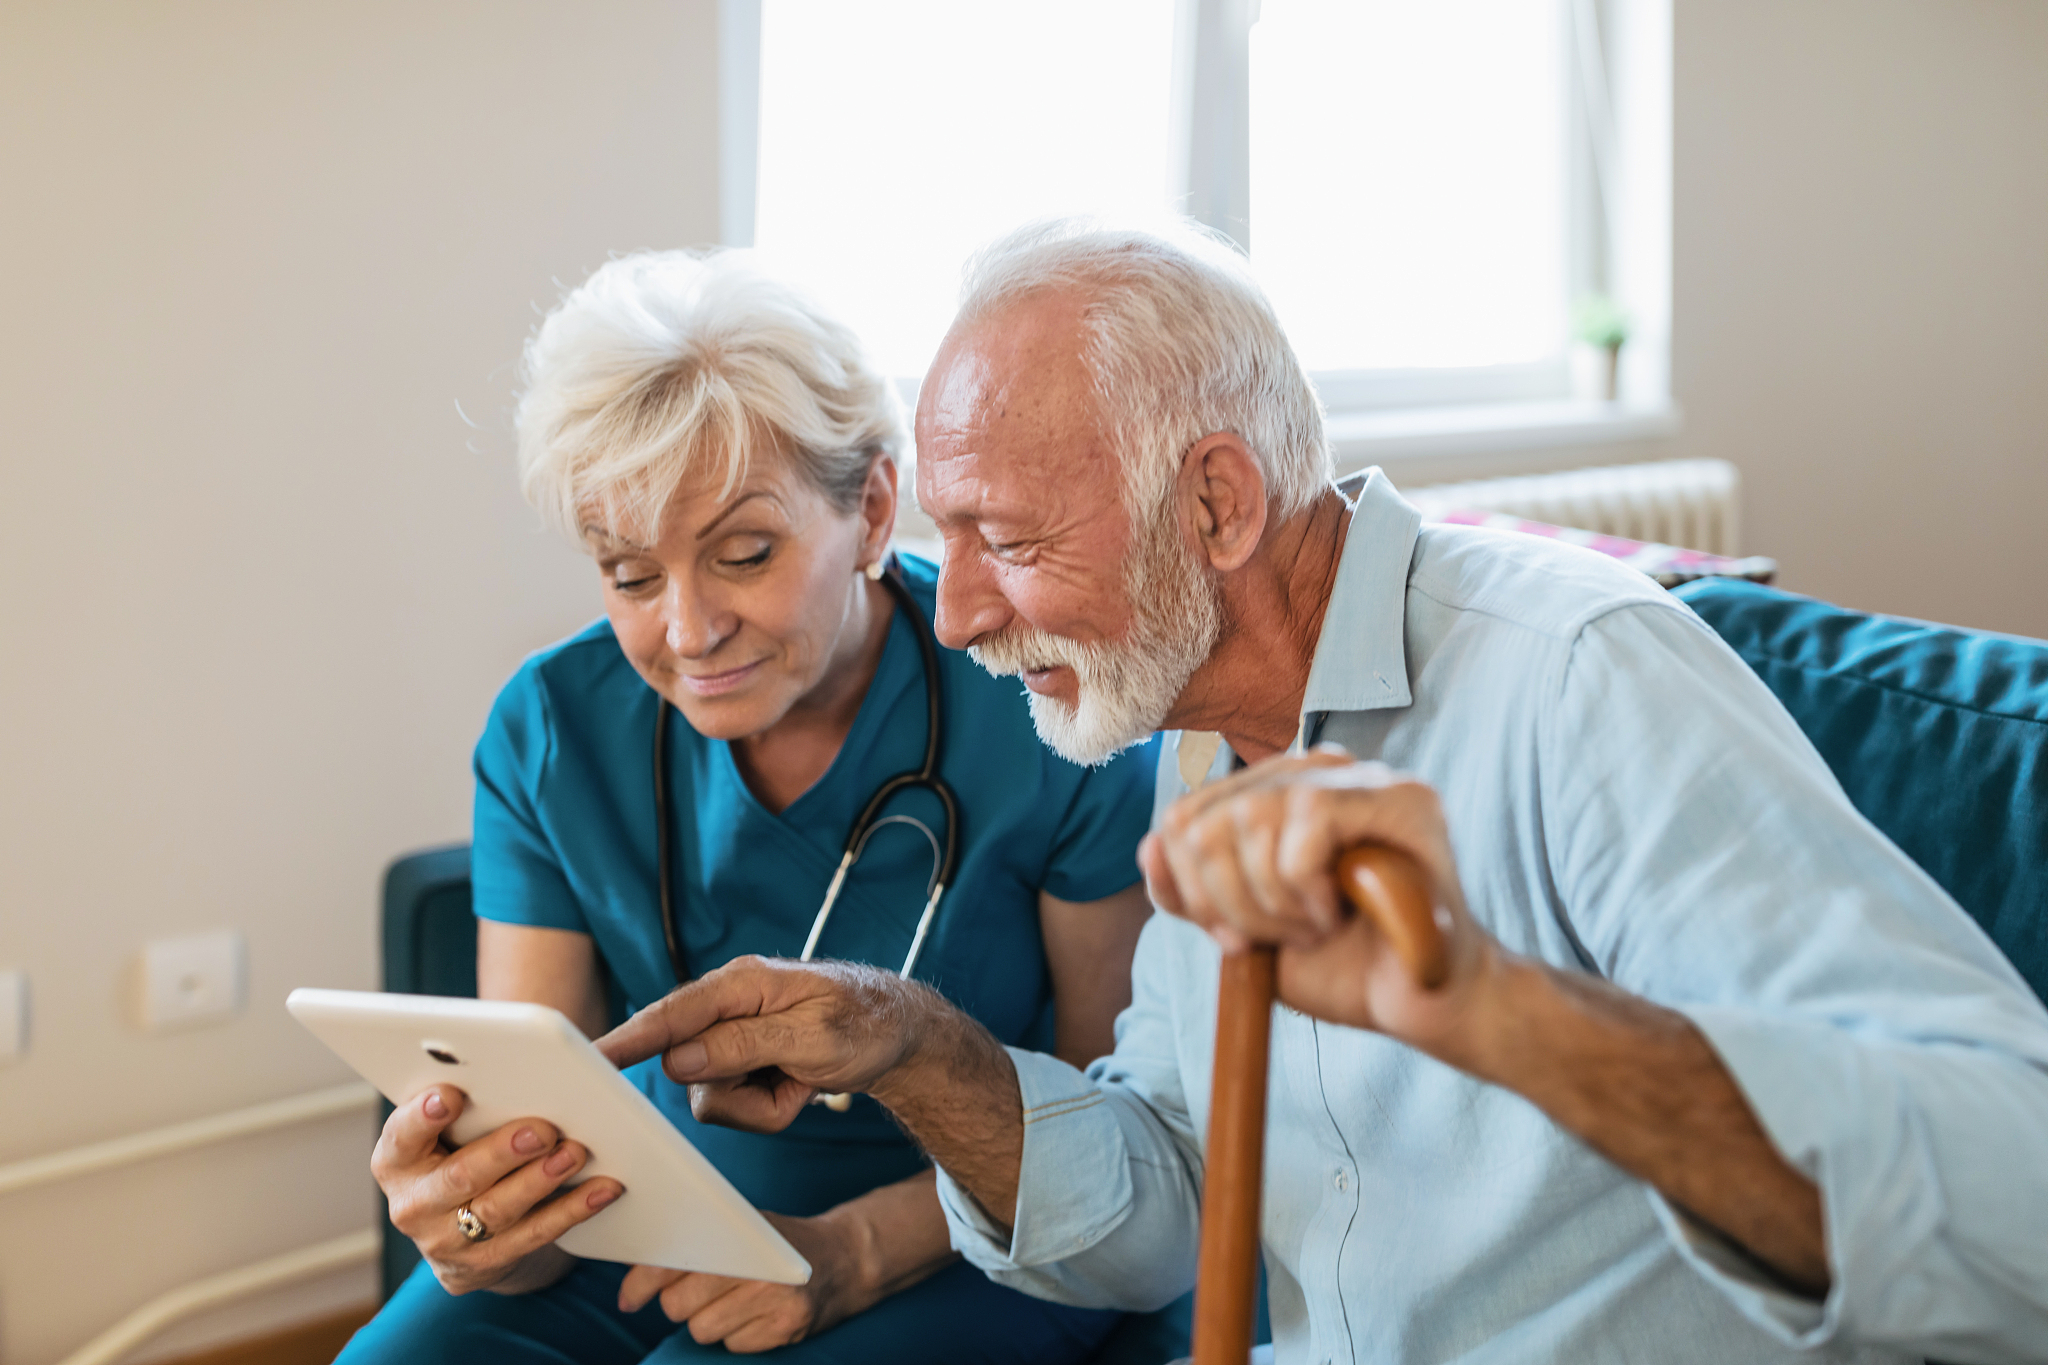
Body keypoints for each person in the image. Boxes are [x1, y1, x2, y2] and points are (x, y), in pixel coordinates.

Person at [598, 220, 2048, 1364]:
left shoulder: (1579, 674)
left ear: (1217, 504)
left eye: (1005, 539)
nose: (959, 612)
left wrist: (1496, 1005)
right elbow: (1170, 1207)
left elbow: (2017, 1209)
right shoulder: (1189, 717)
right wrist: (908, 1043)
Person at [337, 250, 1162, 1365]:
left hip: (985, 1237)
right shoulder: (551, 729)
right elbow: (541, 1104)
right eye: (630, 574)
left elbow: (1115, 1122)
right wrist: (480, 1227)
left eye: (742, 554)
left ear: (871, 510)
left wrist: (851, 1251)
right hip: (657, 1218)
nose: (686, 630)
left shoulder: (1039, 704)